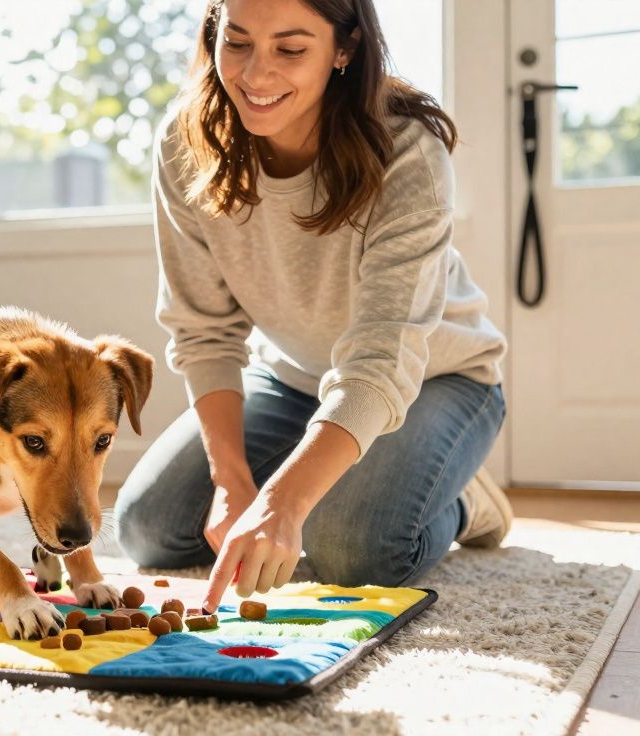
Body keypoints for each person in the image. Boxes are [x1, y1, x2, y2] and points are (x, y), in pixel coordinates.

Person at [113, 0, 510, 613]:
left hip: (437, 379)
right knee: (148, 527)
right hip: (292, 377)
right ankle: (327, 460)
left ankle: (460, 501)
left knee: (352, 550)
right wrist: (232, 482)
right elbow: (204, 332)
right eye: (237, 42)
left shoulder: (408, 149)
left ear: (344, 50)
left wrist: (283, 502)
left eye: (291, 50)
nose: (255, 75)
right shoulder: (186, 142)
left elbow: (382, 360)